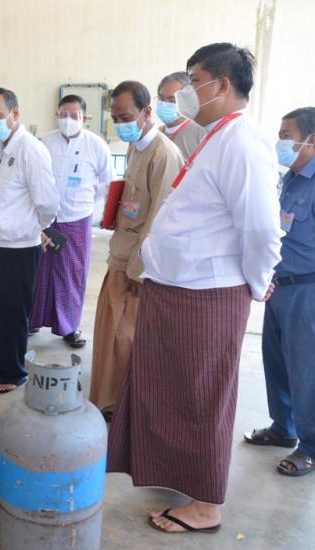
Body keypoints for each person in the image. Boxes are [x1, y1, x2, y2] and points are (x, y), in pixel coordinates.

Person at [107, 43, 284, 534]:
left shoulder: (243, 142)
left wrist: (257, 283)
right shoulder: (216, 136)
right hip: (178, 289)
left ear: (222, 85)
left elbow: (261, 229)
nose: (185, 92)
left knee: (202, 398)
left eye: (194, 80)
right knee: (171, 391)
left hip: (207, 294)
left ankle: (206, 505)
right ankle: (177, 476)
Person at [244, 107, 315, 476]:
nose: (280, 141)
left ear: (312, 139)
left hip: (312, 290)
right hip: (282, 287)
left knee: (309, 371)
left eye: (286, 134)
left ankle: (312, 448)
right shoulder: (290, 179)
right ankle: (283, 428)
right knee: (277, 363)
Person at [88, 81, 182, 417]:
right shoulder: (135, 148)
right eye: (115, 118)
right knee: (109, 337)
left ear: (147, 112)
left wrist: (137, 272)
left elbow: (159, 222)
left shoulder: (164, 154)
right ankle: (108, 401)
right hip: (120, 255)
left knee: (126, 340)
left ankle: (124, 407)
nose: (120, 124)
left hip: (137, 269)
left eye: (126, 117)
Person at [0, 88, 59, 393]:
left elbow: (48, 202)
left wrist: (36, 228)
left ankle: (12, 372)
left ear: (15, 114)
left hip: (19, 248)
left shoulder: (31, 150)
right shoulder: (2, 146)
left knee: (11, 314)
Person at [30, 94, 113, 348]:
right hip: (46, 219)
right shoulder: (45, 142)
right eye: (63, 114)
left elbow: (106, 184)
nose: (68, 120)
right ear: (56, 115)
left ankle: (69, 326)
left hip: (76, 219)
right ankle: (33, 320)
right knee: (39, 271)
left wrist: (90, 209)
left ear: (84, 118)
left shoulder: (96, 145)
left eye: (74, 115)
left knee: (72, 275)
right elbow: (35, 178)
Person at [155, 71, 206, 159]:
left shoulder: (200, 135)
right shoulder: (155, 134)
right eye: (161, 98)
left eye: (172, 100)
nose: (164, 104)